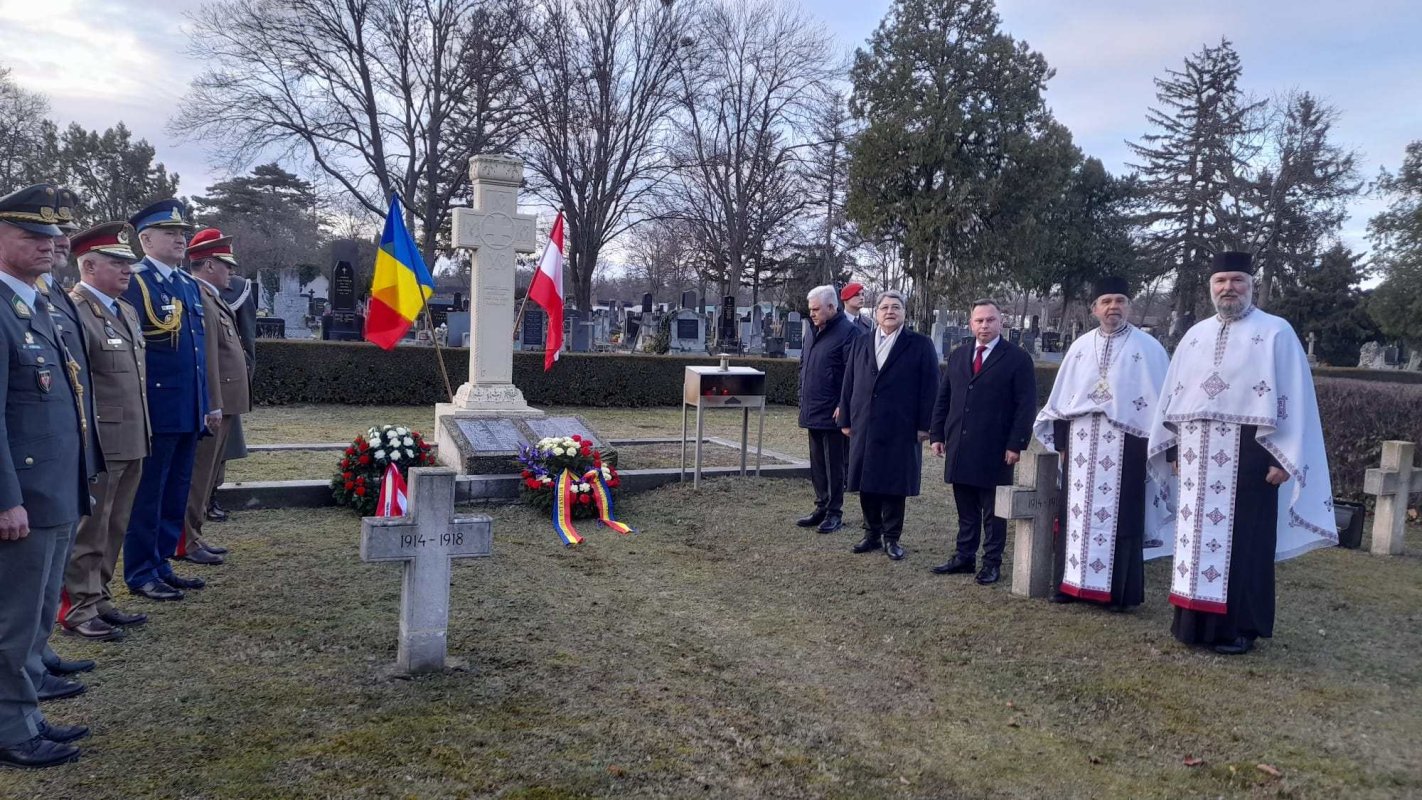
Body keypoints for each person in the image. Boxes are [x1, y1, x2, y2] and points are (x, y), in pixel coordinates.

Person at [1148, 251, 1335, 655]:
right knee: (1194, 540)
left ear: (1251, 285)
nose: (1228, 288)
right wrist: (1176, 450)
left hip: (1251, 456)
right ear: (1210, 287)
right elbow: (1175, 399)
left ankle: (1239, 629)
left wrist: (1282, 458)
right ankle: (1192, 623)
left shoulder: (1275, 332)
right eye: (1221, 281)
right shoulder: (1194, 335)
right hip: (1198, 458)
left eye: (1237, 280)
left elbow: (1293, 399)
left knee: (1245, 544)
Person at [0, 182, 91, 768]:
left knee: (35, 615)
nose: (47, 246)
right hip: (24, 497)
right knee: (13, 618)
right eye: (31, 235)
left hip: (56, 490)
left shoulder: (32, 304)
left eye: (51, 237)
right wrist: (6, 499)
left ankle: (26, 711)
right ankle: (10, 730)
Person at [1032, 277, 1171, 610]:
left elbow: (1161, 404)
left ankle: (1118, 593)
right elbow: (1063, 402)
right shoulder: (1080, 347)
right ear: (1094, 308)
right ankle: (1069, 584)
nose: (1113, 307)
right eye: (1106, 301)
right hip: (1081, 448)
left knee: (1123, 518)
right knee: (1074, 514)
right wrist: (1062, 442)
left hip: (1128, 448)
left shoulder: (1148, 349)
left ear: (1130, 305)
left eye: (1120, 300)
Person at [59, 221, 152, 641]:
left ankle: (100, 596)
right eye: (117, 262)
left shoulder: (126, 310)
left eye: (128, 263)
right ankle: (78, 607)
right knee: (91, 526)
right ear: (89, 264)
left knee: (116, 522)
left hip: (133, 433)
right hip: (98, 440)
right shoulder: (74, 310)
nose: (127, 270)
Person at [121, 199, 213, 602]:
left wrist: (206, 402)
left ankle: (161, 563)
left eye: (182, 233)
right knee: (149, 494)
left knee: (176, 491)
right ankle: (141, 570)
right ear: (145, 239)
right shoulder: (136, 282)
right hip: (157, 409)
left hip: (188, 406)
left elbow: (197, 353)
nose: (181, 239)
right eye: (171, 233)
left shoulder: (186, 284)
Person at [929, 299, 1036, 585]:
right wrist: (937, 434)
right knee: (965, 508)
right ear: (970, 323)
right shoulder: (959, 355)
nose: (984, 325)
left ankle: (991, 562)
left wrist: (1016, 444)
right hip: (960, 444)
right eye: (979, 320)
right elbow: (944, 397)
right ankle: (964, 556)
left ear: (1001, 322)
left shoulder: (1017, 358)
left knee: (993, 511)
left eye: (990, 320)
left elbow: (1025, 406)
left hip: (995, 447)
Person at [838, 290, 940, 561]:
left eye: (896, 307)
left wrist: (925, 425)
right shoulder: (861, 342)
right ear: (876, 312)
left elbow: (931, 388)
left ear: (905, 312)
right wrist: (845, 417)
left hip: (901, 426)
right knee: (865, 480)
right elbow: (849, 381)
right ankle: (871, 533)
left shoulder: (920, 344)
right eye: (884, 307)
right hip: (865, 423)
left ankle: (891, 537)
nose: (890, 311)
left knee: (894, 483)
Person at [179, 229, 250, 564]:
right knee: (197, 476)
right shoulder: (199, 298)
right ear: (208, 265)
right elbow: (206, 356)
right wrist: (212, 402)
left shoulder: (211, 297)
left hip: (225, 403)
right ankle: (186, 541)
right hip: (213, 405)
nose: (231, 272)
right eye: (226, 265)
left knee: (206, 477)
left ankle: (194, 536)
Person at [795, 284, 861, 533]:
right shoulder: (812, 331)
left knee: (834, 464)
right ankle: (821, 505)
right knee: (817, 463)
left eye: (816, 309)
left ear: (832, 307)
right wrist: (802, 397)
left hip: (833, 411)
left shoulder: (848, 333)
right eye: (810, 309)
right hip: (812, 407)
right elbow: (805, 366)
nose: (811, 313)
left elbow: (852, 373)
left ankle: (835, 511)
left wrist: (843, 405)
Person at [208, 270, 258, 524]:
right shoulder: (181, 282)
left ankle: (211, 495)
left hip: (227, 382)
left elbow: (247, 341)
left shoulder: (238, 288)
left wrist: (242, 380)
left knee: (222, 445)